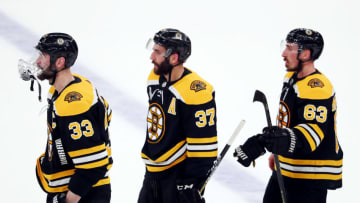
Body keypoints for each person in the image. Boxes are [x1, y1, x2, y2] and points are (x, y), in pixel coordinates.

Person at [233, 28, 343, 203]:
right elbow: (290, 123)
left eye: (290, 48)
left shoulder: (316, 88)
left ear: (306, 54)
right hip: (288, 167)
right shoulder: (291, 78)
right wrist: (275, 149)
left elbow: (311, 136)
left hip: (310, 175)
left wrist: (273, 141)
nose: (284, 53)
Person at [20, 33, 113, 203]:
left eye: (43, 56)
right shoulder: (74, 84)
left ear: (60, 62)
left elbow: (94, 165)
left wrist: (69, 199)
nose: (37, 62)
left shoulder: (73, 104)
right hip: (77, 190)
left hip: (83, 194)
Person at [138, 28, 218, 203]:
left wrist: (191, 184)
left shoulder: (196, 92)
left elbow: (204, 150)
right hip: (151, 175)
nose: (151, 57)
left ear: (174, 57)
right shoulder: (154, 78)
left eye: (157, 52)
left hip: (177, 179)